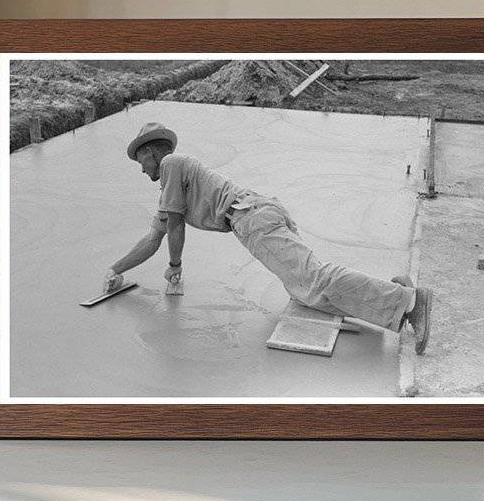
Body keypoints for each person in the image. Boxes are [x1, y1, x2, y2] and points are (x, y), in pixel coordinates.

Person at [103, 121, 431, 351]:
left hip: (251, 218)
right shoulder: (170, 187)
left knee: (314, 279)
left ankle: (412, 304)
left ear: (150, 153)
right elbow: (152, 238)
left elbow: (174, 227)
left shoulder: (173, 163)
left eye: (141, 161)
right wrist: (115, 269)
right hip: (255, 216)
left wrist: (175, 265)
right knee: (306, 292)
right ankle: (397, 293)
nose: (142, 168)